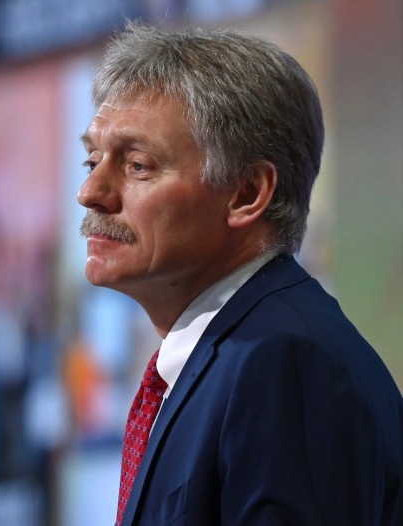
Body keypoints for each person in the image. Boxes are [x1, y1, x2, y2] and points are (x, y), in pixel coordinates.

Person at [77, 24, 403, 526]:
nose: (90, 193)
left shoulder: (284, 364)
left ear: (247, 193)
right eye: (92, 160)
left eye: (138, 165)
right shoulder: (233, 357)